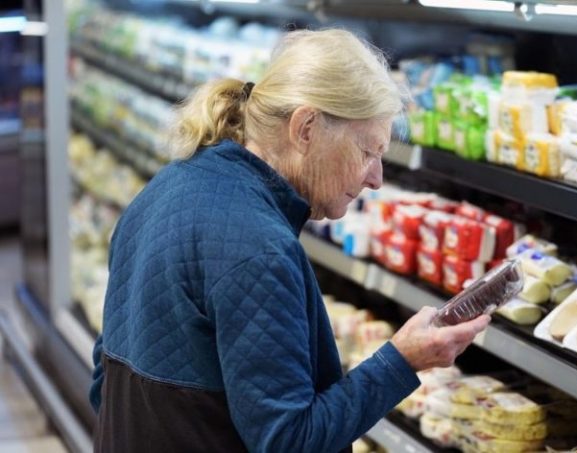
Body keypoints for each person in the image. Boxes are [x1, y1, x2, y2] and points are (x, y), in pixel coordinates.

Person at [90, 28, 490, 452]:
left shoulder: (163, 188)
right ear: (306, 128)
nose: (376, 178)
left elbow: (105, 381)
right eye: (368, 152)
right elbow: (290, 442)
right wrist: (403, 360)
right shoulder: (259, 250)